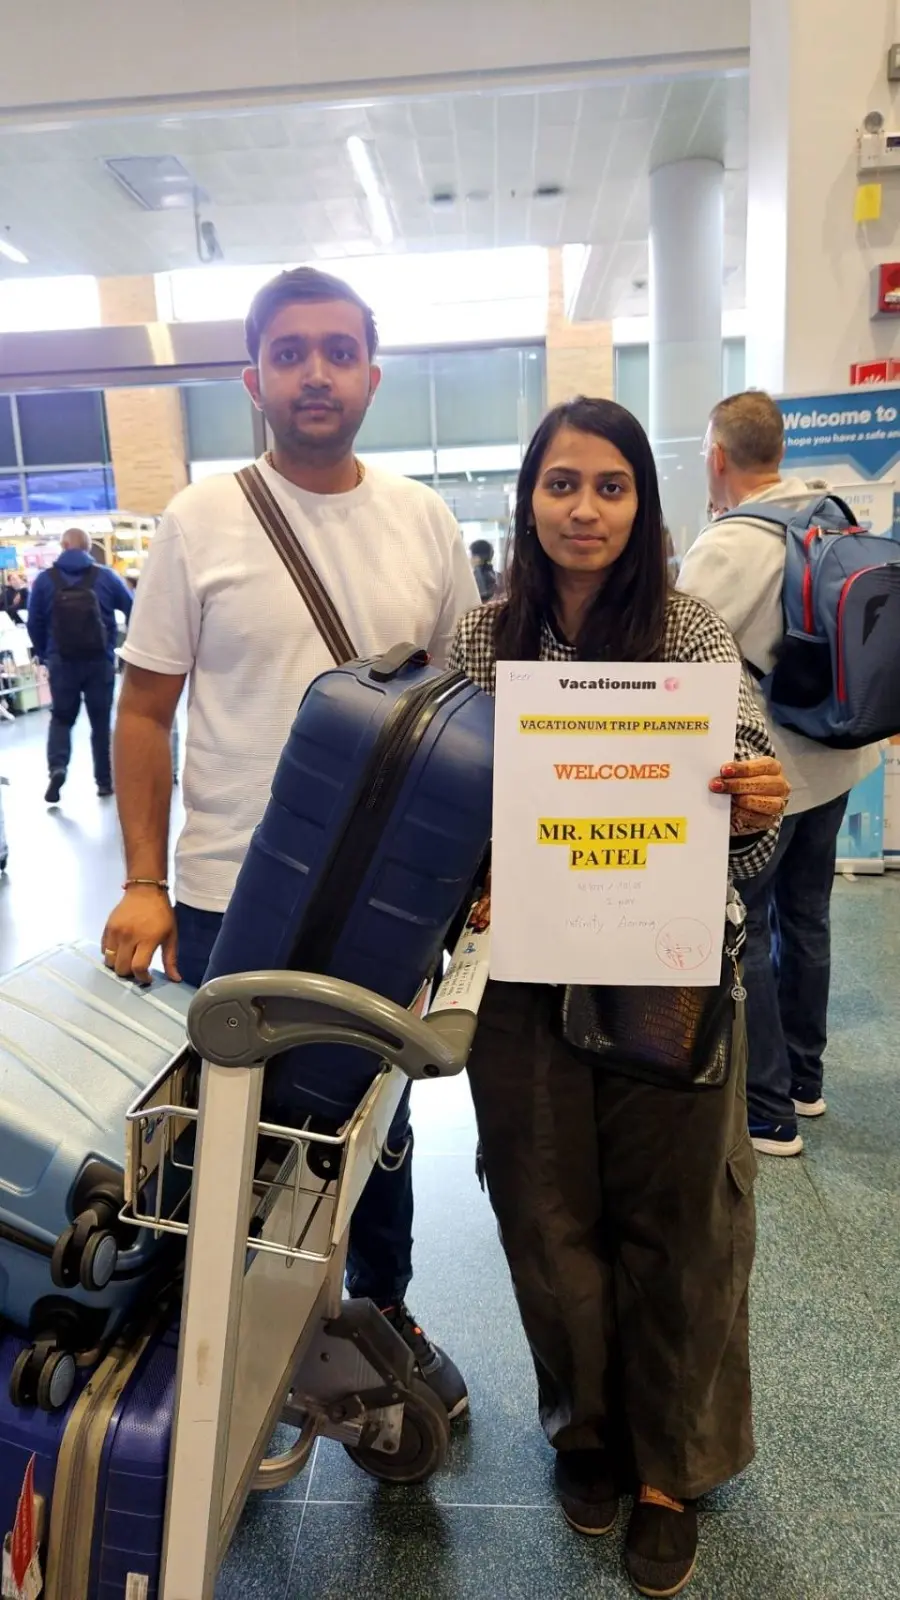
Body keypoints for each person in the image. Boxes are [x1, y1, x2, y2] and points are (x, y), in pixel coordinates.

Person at [101, 265, 479, 1422]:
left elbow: (468, 713)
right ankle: (217, 1342)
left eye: (337, 351)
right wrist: (145, 881)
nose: (315, 373)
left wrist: (471, 884)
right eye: (290, 352)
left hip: (388, 898)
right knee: (229, 1126)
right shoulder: (199, 519)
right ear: (252, 374)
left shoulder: (422, 520)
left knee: (379, 1120)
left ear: (373, 368)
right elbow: (145, 711)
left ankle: (383, 1303)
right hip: (227, 891)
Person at [450, 396, 789, 1599]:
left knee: (681, 1228)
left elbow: (747, 836)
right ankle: (588, 1431)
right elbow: (458, 814)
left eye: (610, 486)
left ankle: (670, 1470)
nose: (582, 509)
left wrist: (758, 805)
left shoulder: (690, 632)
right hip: (529, 982)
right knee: (547, 1223)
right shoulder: (487, 641)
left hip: (667, 975)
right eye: (560, 484)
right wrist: (475, 880)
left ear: (645, 504)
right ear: (528, 497)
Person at [678, 391, 882, 1157]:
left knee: (750, 931)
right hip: (839, 757)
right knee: (808, 918)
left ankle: (767, 1110)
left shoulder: (729, 545)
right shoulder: (829, 513)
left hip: (771, 777)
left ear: (718, 456)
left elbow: (678, 649)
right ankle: (805, 1078)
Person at [26, 528, 133, 804]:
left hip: (62, 663)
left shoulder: (45, 581)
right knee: (100, 723)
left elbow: (34, 623)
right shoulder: (106, 576)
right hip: (99, 662)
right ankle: (104, 783)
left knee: (62, 718)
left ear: (63, 545)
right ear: (88, 547)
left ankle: (58, 768)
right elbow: (133, 608)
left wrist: (46, 653)